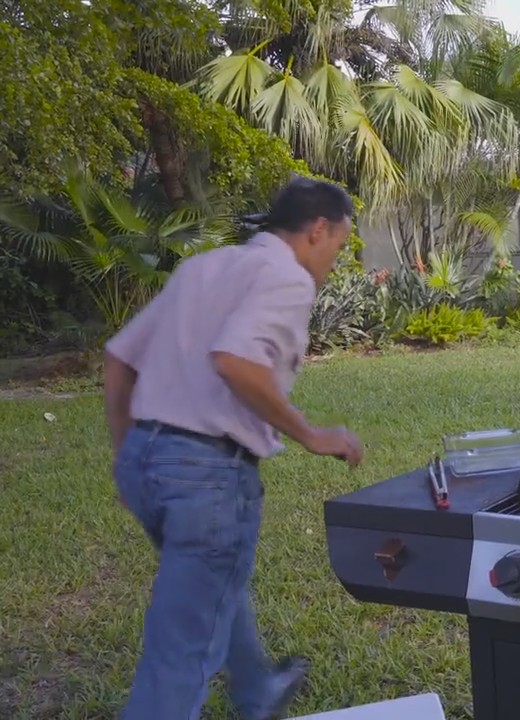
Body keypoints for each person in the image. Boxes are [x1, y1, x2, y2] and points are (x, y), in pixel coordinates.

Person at [104, 177, 366, 720]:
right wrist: (312, 434)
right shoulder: (287, 277)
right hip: (206, 476)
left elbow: (120, 359)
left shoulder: (205, 266)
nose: (333, 262)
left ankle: (257, 688)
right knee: (182, 651)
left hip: (146, 462)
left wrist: (126, 454)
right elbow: (236, 361)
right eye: (339, 247)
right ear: (318, 230)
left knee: (209, 579)